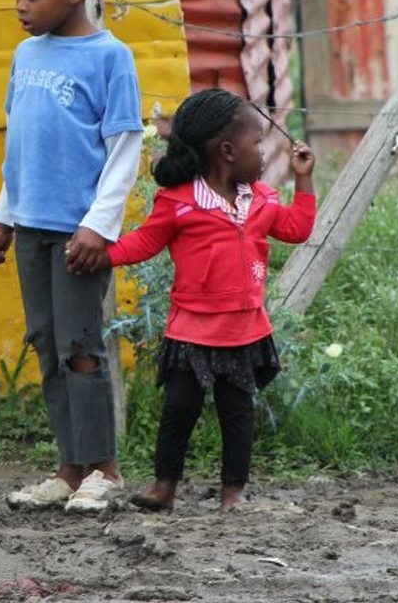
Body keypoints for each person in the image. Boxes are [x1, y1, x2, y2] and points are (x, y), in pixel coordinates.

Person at [0, 0, 145, 513]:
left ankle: (106, 470)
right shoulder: (26, 55)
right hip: (32, 227)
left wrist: (98, 227)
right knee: (47, 346)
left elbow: (123, 149)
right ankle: (69, 471)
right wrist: (4, 220)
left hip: (80, 234)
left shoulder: (110, 58)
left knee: (81, 348)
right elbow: (21, 149)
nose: (21, 7)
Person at [107, 88, 315, 511]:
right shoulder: (178, 202)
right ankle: (164, 487)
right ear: (227, 151)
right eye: (256, 143)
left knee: (237, 414)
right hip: (191, 331)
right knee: (178, 410)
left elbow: (297, 230)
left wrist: (303, 178)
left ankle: (233, 492)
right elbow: (145, 242)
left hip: (244, 331)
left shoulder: (262, 200)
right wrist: (100, 254)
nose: (261, 152)